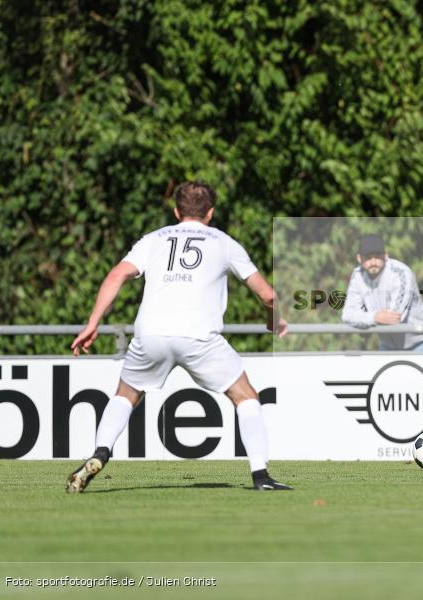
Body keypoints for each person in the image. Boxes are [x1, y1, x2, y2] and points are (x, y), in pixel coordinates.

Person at [66, 182, 291, 493]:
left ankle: (99, 453)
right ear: (210, 212)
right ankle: (261, 477)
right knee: (246, 397)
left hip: (151, 334)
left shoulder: (154, 239)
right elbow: (268, 296)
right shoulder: (225, 243)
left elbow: (116, 274)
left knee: (124, 396)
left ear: (176, 211)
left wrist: (93, 323)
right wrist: (274, 321)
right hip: (199, 337)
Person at [341, 234, 423, 352]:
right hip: (388, 345)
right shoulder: (357, 275)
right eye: (368, 257)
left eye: (377, 256)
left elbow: (395, 317)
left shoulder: (401, 272)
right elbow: (347, 315)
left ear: (386, 255)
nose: (373, 262)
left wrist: (365, 319)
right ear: (359, 258)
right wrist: (374, 317)